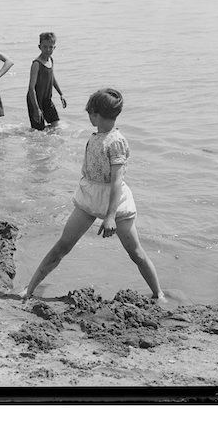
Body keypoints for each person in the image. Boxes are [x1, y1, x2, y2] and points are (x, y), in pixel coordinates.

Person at [20, 88, 165, 302]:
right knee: (62, 246)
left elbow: (116, 181)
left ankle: (158, 293)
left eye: (89, 113)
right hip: (89, 196)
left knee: (136, 252)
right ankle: (30, 288)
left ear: (96, 115)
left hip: (115, 202)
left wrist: (110, 216)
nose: (88, 117)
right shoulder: (98, 135)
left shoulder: (115, 142)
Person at [26, 32, 67, 130]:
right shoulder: (36, 64)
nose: (48, 50)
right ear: (39, 47)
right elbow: (31, 88)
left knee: (55, 125)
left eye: (50, 47)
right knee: (38, 131)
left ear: (54, 47)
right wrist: (36, 109)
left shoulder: (51, 60)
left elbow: (52, 78)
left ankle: (49, 143)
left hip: (47, 99)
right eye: (45, 47)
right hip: (35, 100)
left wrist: (61, 94)